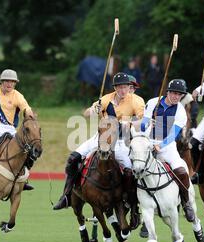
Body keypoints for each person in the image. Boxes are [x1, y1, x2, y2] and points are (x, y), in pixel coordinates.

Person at [53, 72, 145, 228]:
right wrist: (93, 109)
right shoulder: (105, 99)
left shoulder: (136, 101)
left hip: (123, 141)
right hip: (101, 139)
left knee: (131, 170)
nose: (123, 90)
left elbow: (142, 121)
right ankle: (67, 196)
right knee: (73, 158)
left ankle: (132, 204)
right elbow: (86, 114)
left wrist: (125, 122)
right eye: (120, 87)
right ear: (115, 88)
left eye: (125, 87)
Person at [140, 79, 195, 222]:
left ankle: (186, 203)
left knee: (181, 171)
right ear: (168, 92)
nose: (177, 97)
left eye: (180, 95)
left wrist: (160, 145)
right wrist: (148, 124)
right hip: (148, 142)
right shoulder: (153, 102)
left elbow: (173, 134)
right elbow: (143, 125)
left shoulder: (180, 111)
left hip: (167, 147)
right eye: (174, 93)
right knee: (133, 169)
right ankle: (133, 207)